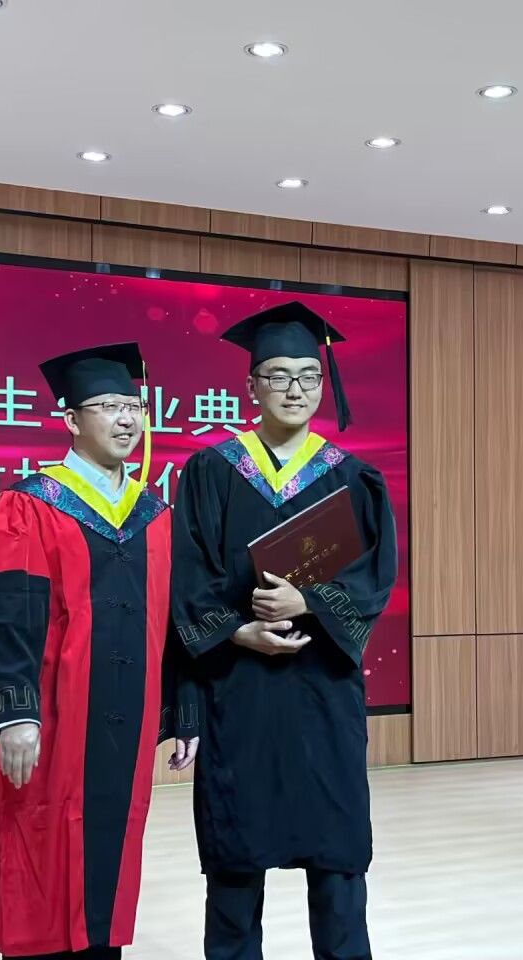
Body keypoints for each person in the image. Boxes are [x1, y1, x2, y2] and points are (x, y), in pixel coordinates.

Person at [170, 301, 398, 960]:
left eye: (308, 375)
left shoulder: (352, 478)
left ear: (323, 385)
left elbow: (374, 578)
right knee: (236, 863)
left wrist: (309, 599)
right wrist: (237, 631)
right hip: (239, 694)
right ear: (251, 386)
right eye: (277, 375)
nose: (294, 389)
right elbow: (188, 576)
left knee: (338, 860)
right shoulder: (212, 472)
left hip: (322, 692)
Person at [0, 342, 199, 960]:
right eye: (108, 407)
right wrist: (16, 714)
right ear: (72, 419)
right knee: (42, 840)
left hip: (127, 721)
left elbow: (175, 621)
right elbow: (8, 617)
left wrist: (184, 711)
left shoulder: (155, 514)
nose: (126, 419)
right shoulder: (31, 504)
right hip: (55, 717)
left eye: (134, 407)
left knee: (114, 848)